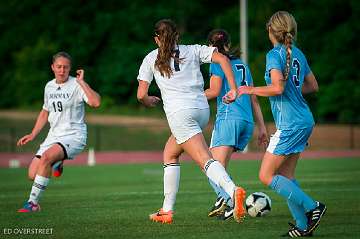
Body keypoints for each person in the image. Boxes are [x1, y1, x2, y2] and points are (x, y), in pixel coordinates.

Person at [137, 19, 246, 224]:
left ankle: (233, 191)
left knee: (205, 159)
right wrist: (233, 88)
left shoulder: (151, 58)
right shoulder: (193, 50)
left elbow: (141, 94)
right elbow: (223, 59)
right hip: (201, 110)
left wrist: (149, 100)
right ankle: (166, 210)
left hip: (181, 114)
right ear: (177, 36)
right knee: (170, 152)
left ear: (156, 39)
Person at [238, 11, 326, 237]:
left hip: (291, 124)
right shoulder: (297, 53)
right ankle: (303, 226)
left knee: (266, 176)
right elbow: (313, 86)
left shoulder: (274, 54)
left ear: (271, 31)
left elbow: (277, 88)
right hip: (303, 120)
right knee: (286, 176)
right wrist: (292, 91)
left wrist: (250, 89)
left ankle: (312, 207)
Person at [17, 51, 101, 212]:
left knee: (46, 158)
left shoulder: (76, 84)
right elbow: (44, 112)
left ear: (70, 69)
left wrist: (82, 82)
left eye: (65, 67)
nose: (62, 70)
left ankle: (33, 203)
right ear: (52, 67)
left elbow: (96, 102)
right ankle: (57, 162)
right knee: (32, 174)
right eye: (59, 67)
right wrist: (33, 134)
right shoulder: (49, 86)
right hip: (53, 136)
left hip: (74, 135)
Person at [204, 29, 268, 221]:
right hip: (246, 121)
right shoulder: (242, 65)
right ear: (228, 44)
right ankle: (227, 200)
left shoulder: (217, 62)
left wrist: (187, 97)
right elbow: (254, 98)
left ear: (210, 47)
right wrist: (262, 128)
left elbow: (214, 91)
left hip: (228, 118)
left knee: (210, 165)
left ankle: (230, 200)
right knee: (216, 167)